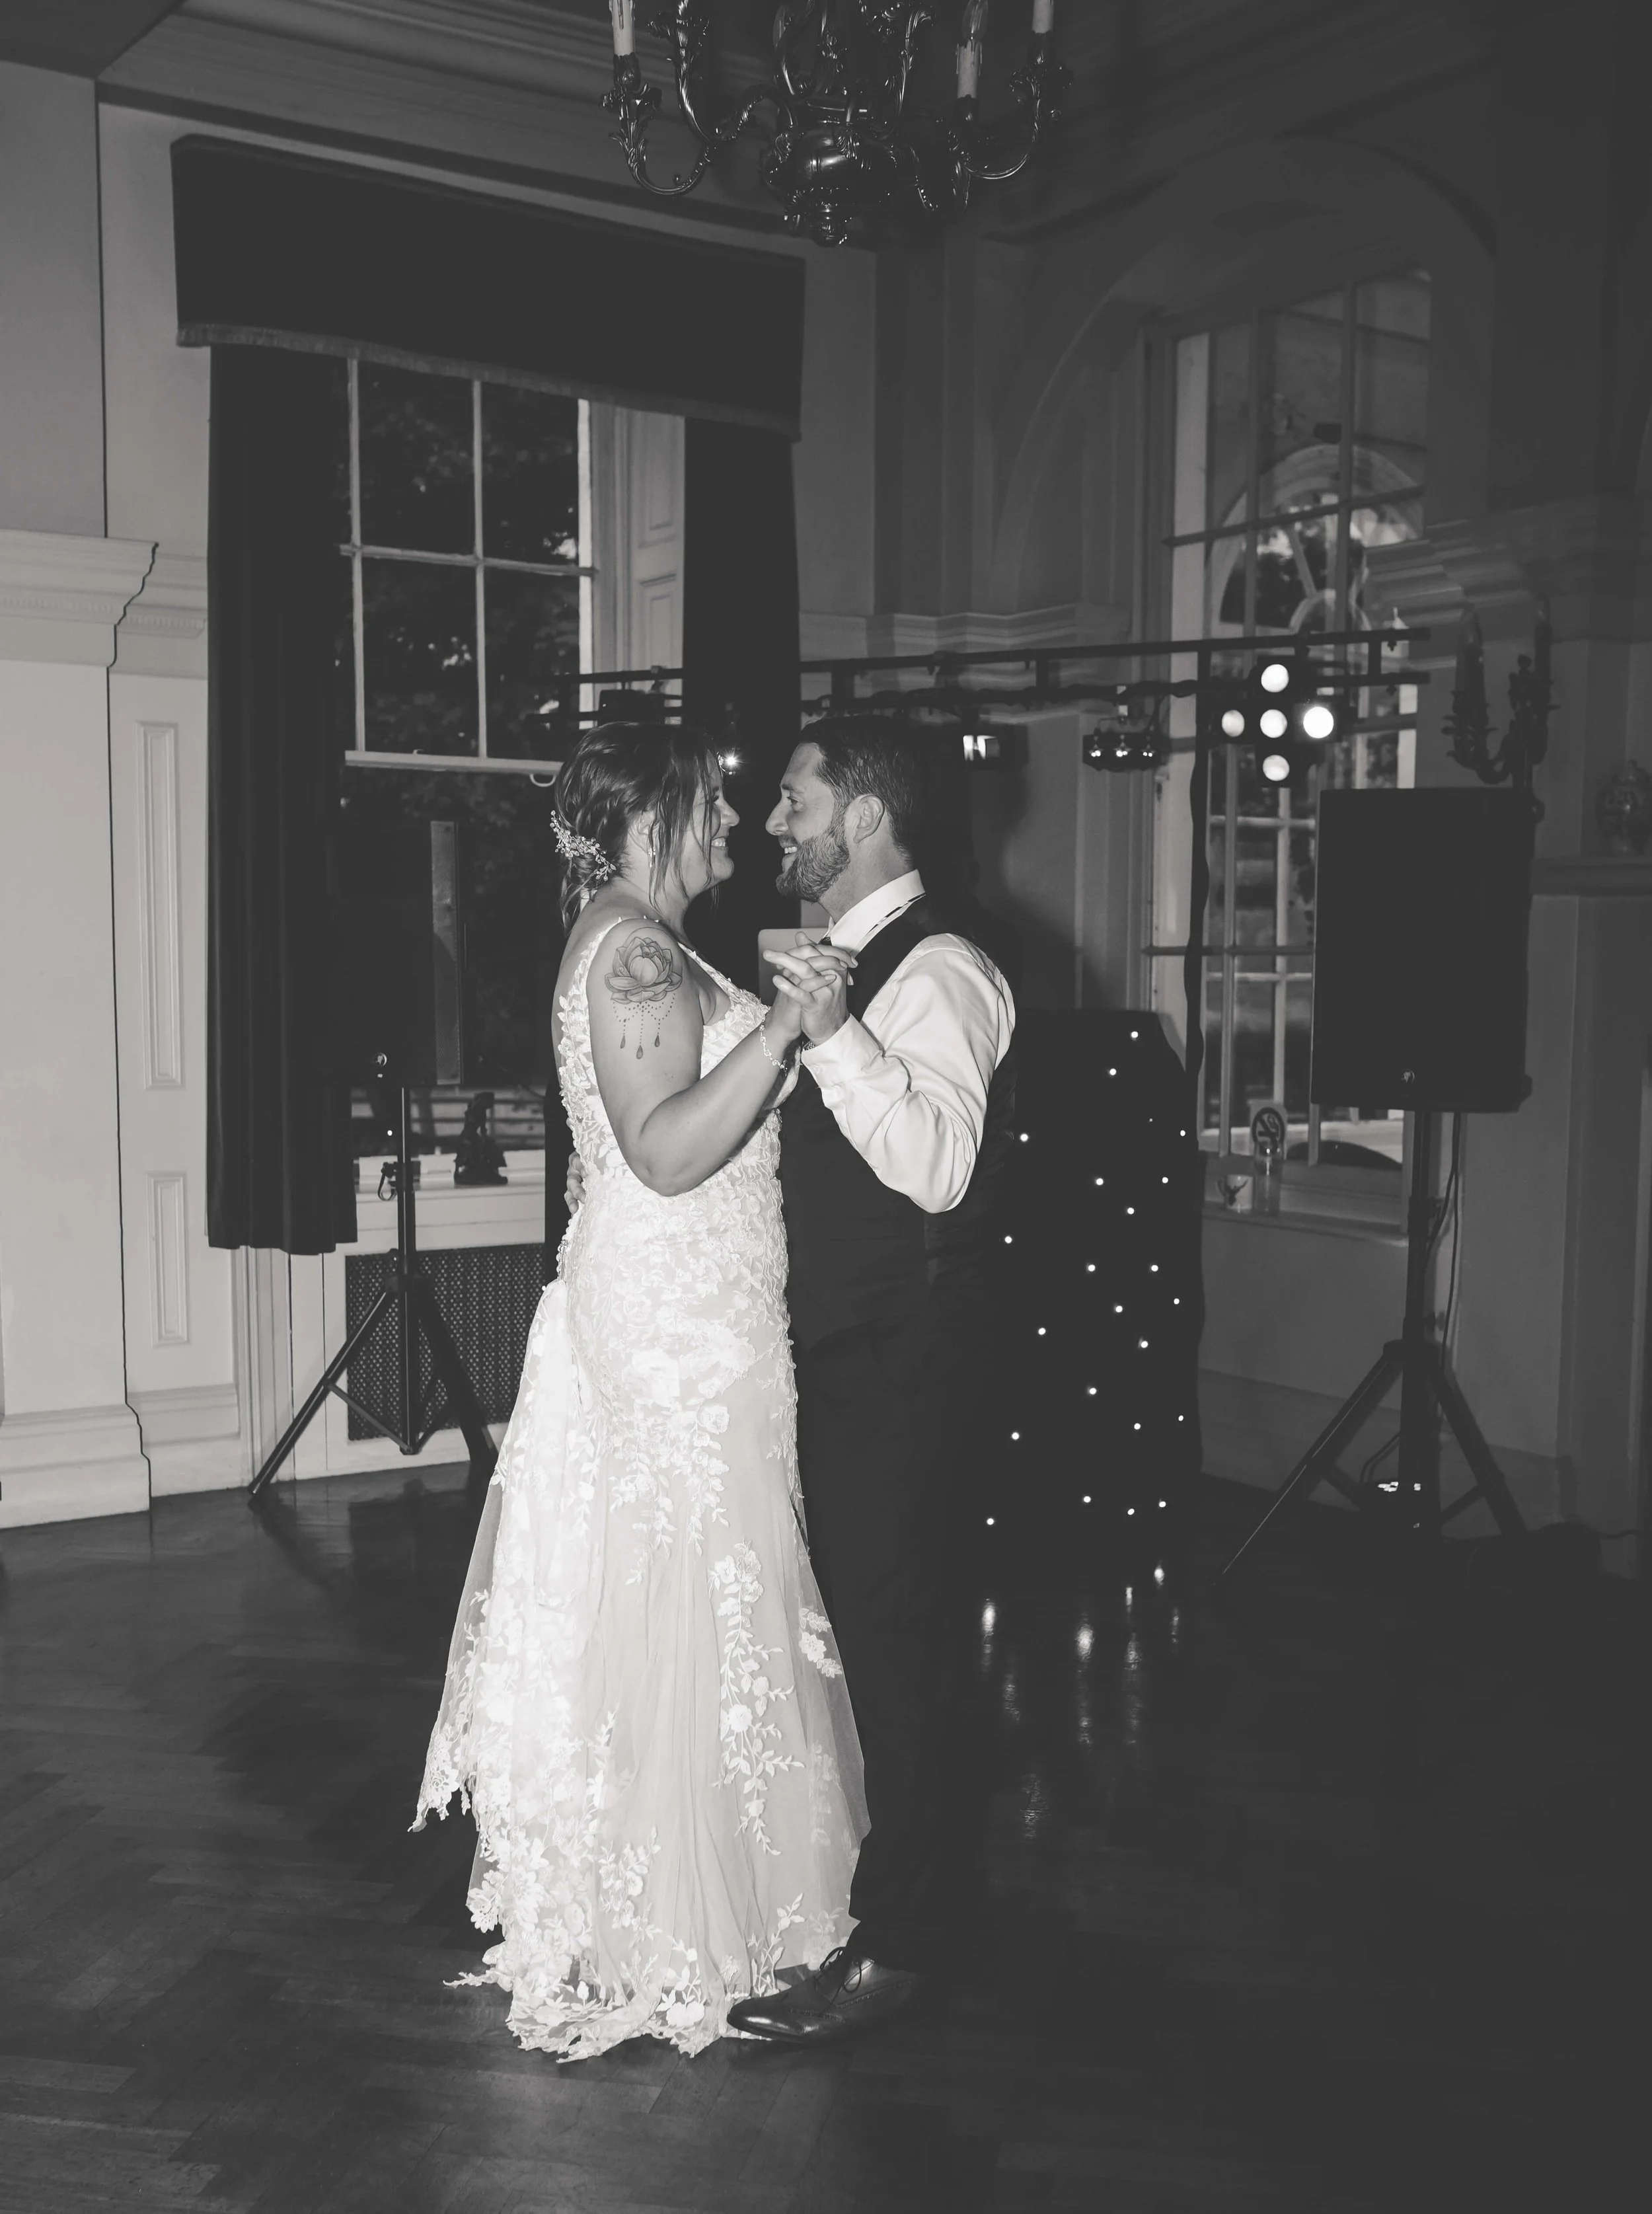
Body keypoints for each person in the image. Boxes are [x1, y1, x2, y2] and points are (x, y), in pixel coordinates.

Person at [414, 723, 866, 2064]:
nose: (734, 829)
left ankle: (690, 1906)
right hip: (678, 1319)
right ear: (657, 817)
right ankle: (678, 1925)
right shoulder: (635, 952)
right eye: (713, 809)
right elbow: (664, 1151)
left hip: (694, 1305)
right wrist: (783, 1027)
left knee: (693, 1586)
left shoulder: (641, 941)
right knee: (691, 1588)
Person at [728, 716, 1017, 2043]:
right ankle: (844, 1902)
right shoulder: (828, 964)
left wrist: (832, 1034)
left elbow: (937, 1168)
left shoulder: (943, 969)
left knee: (894, 1651)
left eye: (794, 802)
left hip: (898, 1364)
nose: (773, 824)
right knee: (838, 1646)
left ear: (861, 817)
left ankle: (904, 1945)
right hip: (828, 1354)